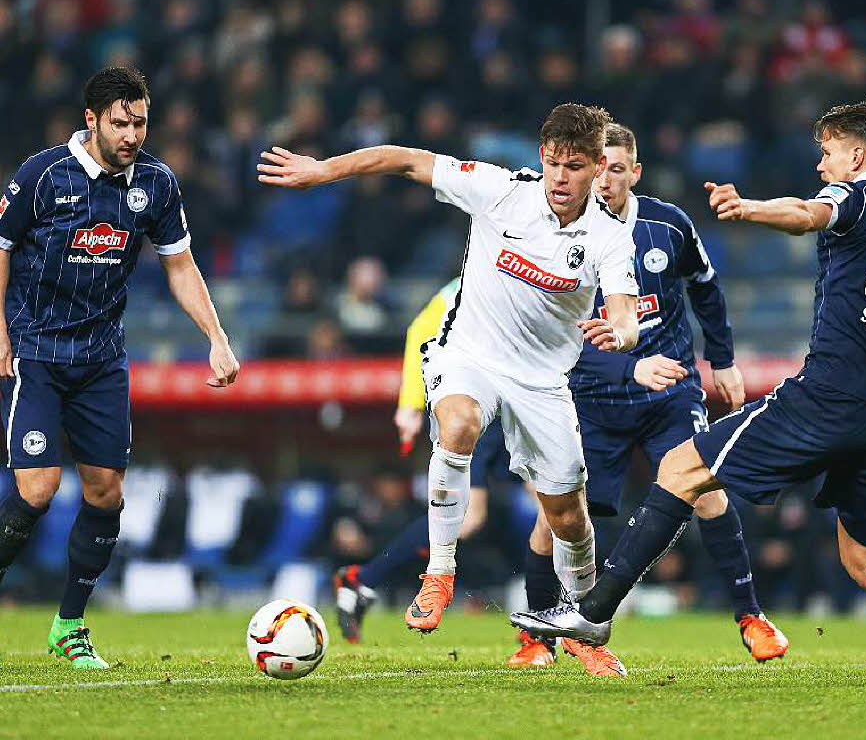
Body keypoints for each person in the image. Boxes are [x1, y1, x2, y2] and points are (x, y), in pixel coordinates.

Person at [512, 98, 866, 685]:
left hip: (826, 397)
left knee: (681, 468)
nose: (822, 166)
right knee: (865, 558)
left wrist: (748, 207)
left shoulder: (855, 198)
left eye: (828, 154)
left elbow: (808, 214)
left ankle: (593, 613)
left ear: (858, 156)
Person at [260, 103, 639, 635]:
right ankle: (438, 573)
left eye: (574, 166)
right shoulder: (502, 190)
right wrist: (323, 170)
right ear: (541, 157)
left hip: (542, 382)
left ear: (598, 167)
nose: (560, 176)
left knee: (569, 518)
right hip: (470, 355)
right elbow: (405, 159)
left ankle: (589, 627)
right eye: (553, 162)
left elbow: (624, 309)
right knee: (458, 424)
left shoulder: (610, 234)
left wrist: (620, 333)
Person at [507, 124, 788, 678]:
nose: (607, 179)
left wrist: (723, 360)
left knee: (706, 489)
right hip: (592, 397)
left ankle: (750, 616)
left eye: (618, 169)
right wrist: (630, 366)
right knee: (558, 515)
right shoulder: (558, 238)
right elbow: (556, 341)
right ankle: (537, 630)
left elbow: (706, 287)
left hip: (669, 393)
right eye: (599, 166)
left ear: (635, 173)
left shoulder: (668, 226)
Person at [0, 66, 239, 669]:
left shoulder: (156, 184)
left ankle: (69, 627)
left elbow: (179, 266)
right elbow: (0, 251)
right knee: (39, 487)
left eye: (141, 123)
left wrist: (215, 336)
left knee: (106, 495)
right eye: (121, 123)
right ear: (92, 120)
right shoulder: (42, 176)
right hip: (37, 352)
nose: (133, 134)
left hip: (102, 359)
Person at [333, 277, 521, 643]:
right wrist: (410, 401)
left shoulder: (560, 255)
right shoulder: (489, 263)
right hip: (480, 398)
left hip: (524, 393)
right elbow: (421, 327)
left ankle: (551, 617)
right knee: (470, 517)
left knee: (554, 501)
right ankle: (361, 580)